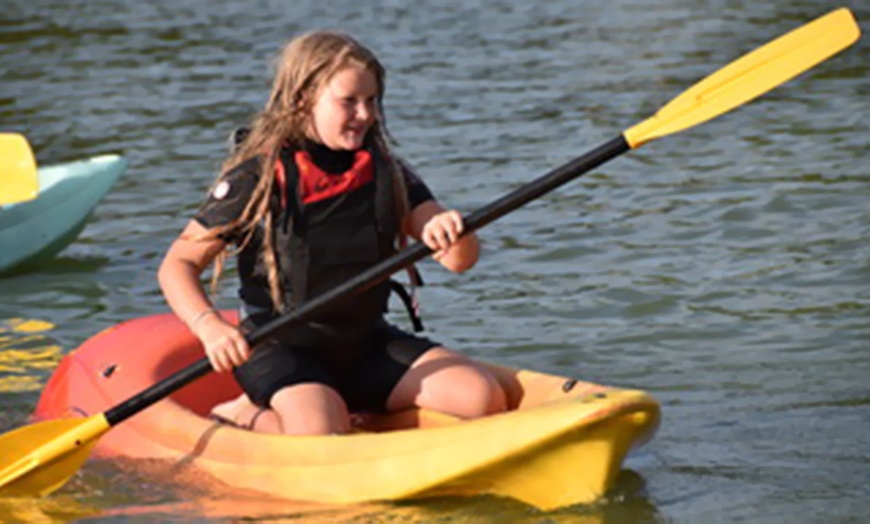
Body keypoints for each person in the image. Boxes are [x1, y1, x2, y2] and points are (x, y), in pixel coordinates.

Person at [157, 30, 506, 435]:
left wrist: (451, 232)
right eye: (349, 102)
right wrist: (209, 326)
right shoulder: (259, 176)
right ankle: (242, 413)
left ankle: (356, 411)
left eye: (371, 100)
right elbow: (177, 264)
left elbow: (461, 262)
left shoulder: (387, 172)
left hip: (364, 342)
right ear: (303, 98)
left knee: (483, 397)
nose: (366, 114)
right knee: (321, 430)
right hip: (280, 347)